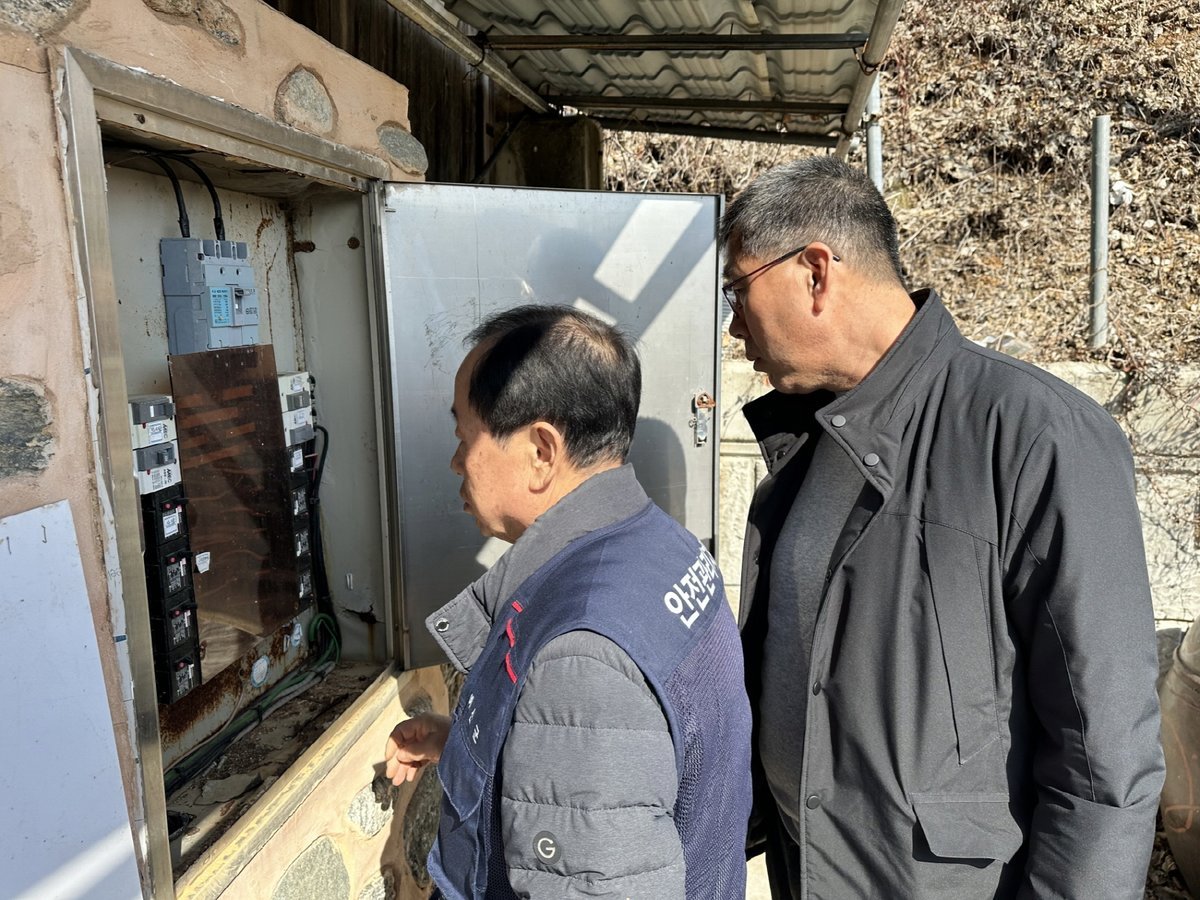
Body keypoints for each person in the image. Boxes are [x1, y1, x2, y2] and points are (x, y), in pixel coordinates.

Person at [721, 157, 1164, 899]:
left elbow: (1105, 755)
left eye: (738, 289)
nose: (735, 325)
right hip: (810, 872)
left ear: (815, 272)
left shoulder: (1036, 435)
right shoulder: (813, 434)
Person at [383, 305, 752, 899]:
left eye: (464, 437)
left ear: (541, 451)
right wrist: (474, 748)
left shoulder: (580, 656)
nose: (456, 462)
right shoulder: (664, 546)